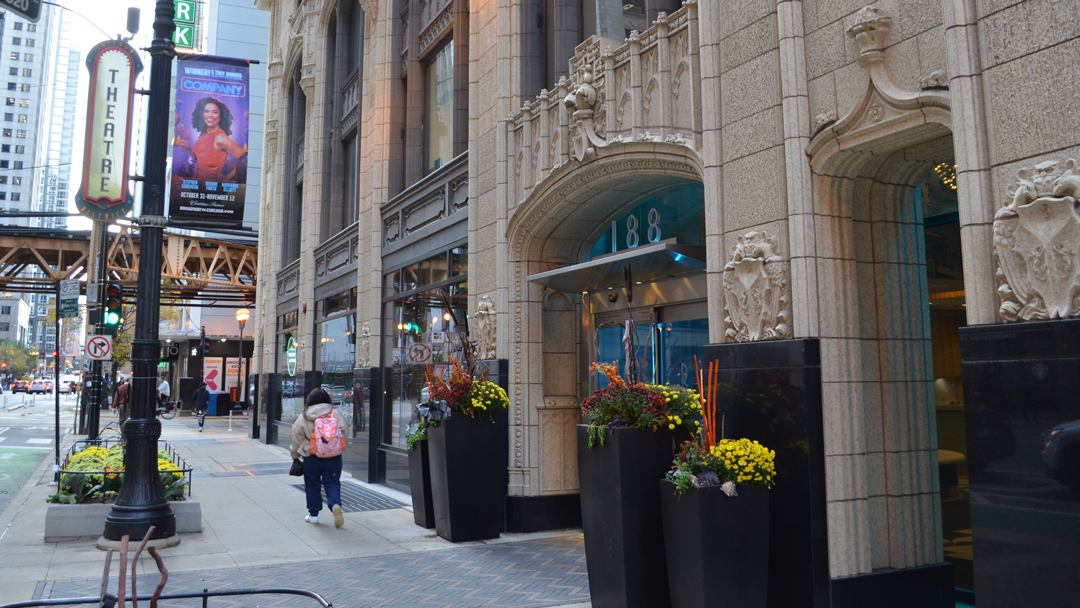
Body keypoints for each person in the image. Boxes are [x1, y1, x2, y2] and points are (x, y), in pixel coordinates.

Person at [290, 388, 347, 527]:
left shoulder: (304, 416)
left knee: (312, 485)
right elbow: (344, 432)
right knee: (332, 482)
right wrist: (337, 448)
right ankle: (335, 505)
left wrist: (296, 455)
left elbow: (296, 438)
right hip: (333, 457)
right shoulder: (335, 414)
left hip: (312, 456)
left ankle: (313, 515)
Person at [190, 97, 247, 181]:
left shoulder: (220, 138)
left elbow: (245, 159)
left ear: (221, 116)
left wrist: (226, 178)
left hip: (211, 190)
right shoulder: (203, 137)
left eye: (215, 112)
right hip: (194, 190)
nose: (210, 115)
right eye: (206, 111)